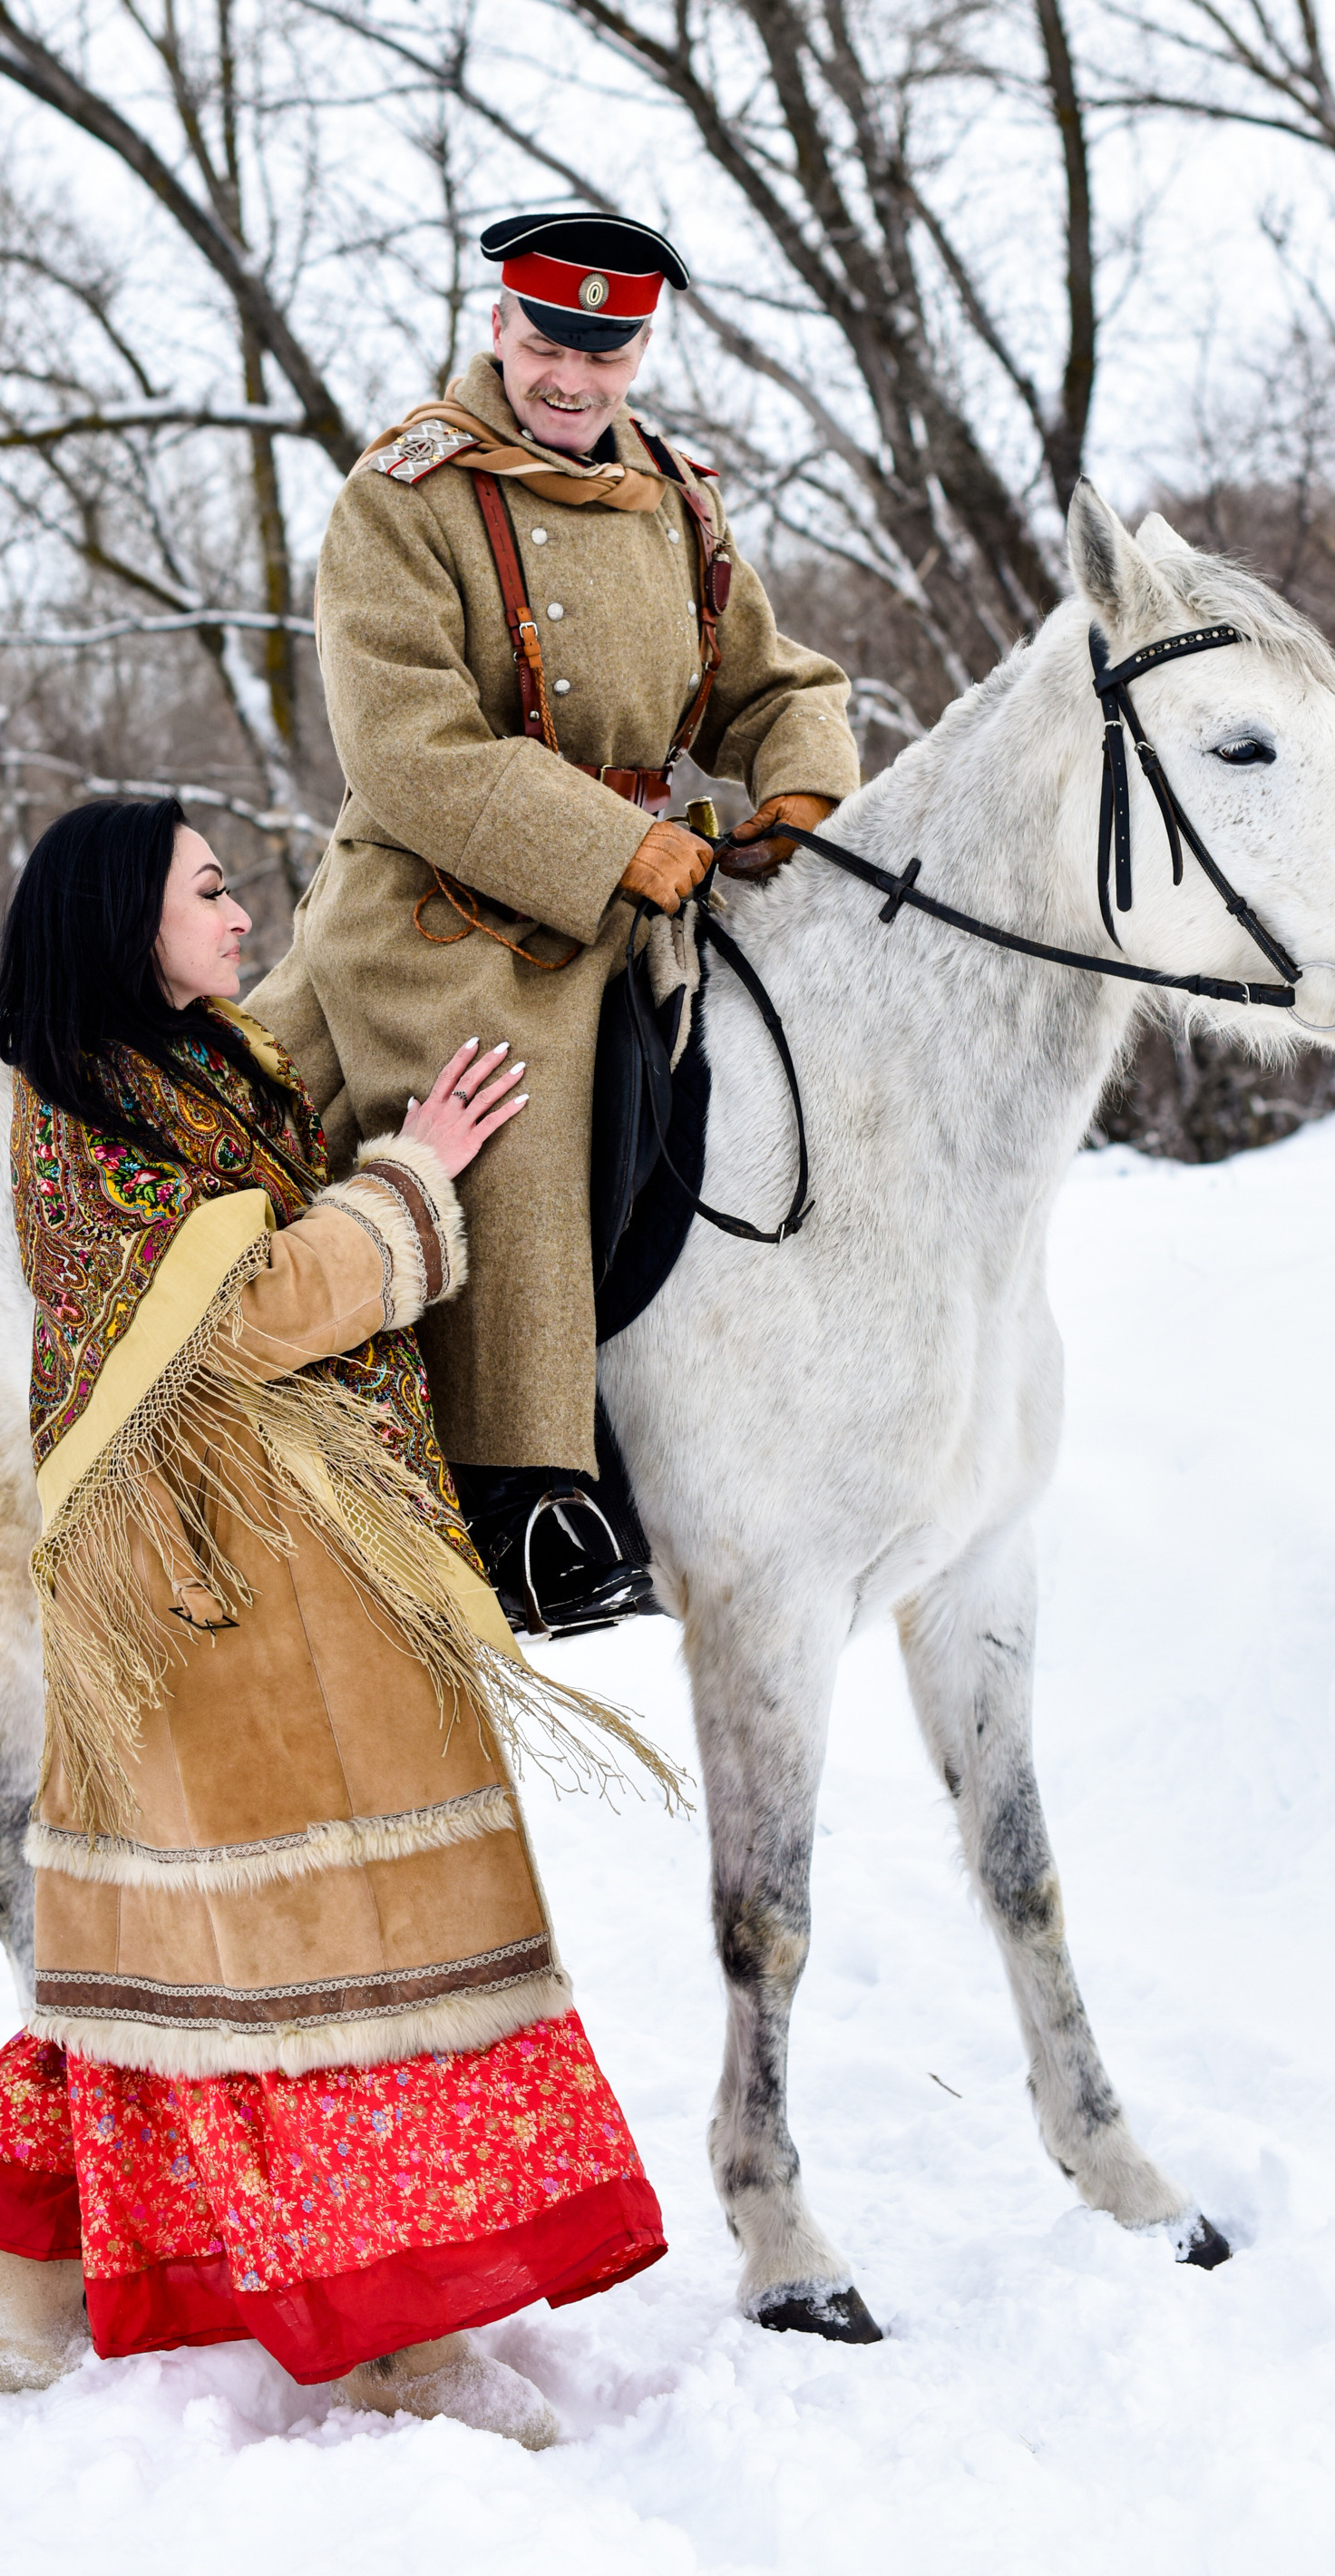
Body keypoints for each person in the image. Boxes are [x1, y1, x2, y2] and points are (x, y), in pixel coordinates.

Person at [0, 798, 668, 2442]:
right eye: (208, 891)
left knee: (175, 1950)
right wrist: (413, 1185)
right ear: (127, 921)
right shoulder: (85, 1108)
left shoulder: (203, 1067)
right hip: (225, 1582)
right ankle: (396, 2336)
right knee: (333, 1949)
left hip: (281, 1553)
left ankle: (6, 2305)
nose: (241, 912)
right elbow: (240, 1318)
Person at [248, 210, 861, 1634]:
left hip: (647, 889)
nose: (572, 378)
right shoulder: (403, 495)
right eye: (546, 342)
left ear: (643, 346)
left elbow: (775, 683)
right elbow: (410, 748)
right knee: (511, 1108)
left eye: (609, 348)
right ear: (499, 326)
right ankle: (517, 1505)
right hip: (441, 903)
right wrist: (613, 845)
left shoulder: (681, 502)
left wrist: (803, 785)